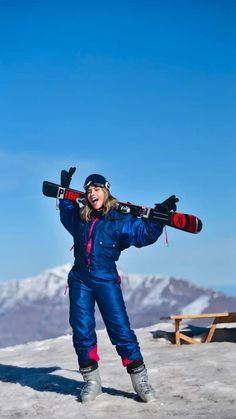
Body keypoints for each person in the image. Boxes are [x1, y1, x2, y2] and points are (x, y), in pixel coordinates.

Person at [59, 167, 178, 403]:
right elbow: (65, 212)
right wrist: (64, 192)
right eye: (89, 190)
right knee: (82, 331)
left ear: (106, 191)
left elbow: (143, 234)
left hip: (106, 279)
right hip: (80, 279)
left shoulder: (119, 220)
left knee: (121, 330)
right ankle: (92, 382)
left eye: (97, 189)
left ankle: (140, 381)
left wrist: (158, 216)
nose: (92, 193)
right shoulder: (80, 218)